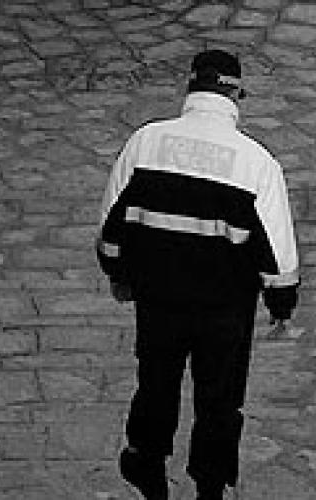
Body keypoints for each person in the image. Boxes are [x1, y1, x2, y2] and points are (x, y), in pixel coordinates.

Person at [95, 49, 300, 500]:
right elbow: (278, 252)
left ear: (190, 88)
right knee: (220, 398)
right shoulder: (256, 163)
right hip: (225, 308)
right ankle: (210, 483)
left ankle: (146, 462)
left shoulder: (144, 143)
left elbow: (111, 227)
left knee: (156, 382)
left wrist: (119, 273)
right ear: (235, 96)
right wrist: (281, 303)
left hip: (158, 298)